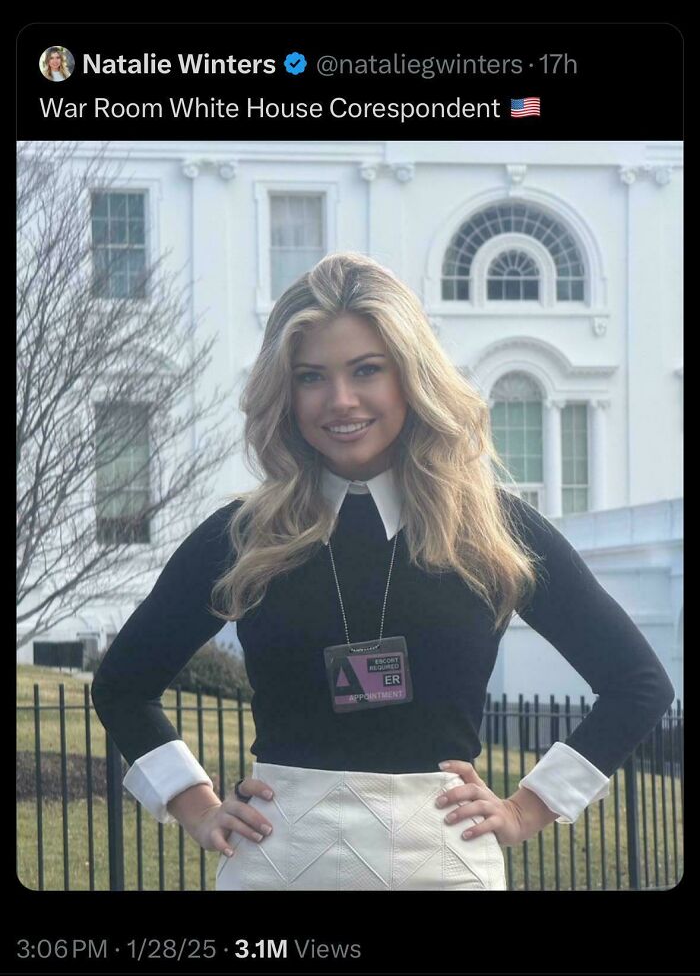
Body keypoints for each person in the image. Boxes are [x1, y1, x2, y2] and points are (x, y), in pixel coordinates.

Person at [92, 251, 674, 891]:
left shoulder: (491, 530)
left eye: (367, 369)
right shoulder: (244, 536)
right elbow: (122, 685)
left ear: (411, 375)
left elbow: (638, 685)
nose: (340, 401)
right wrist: (195, 807)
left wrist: (526, 808)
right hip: (278, 865)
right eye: (311, 377)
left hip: (445, 867)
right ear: (284, 392)